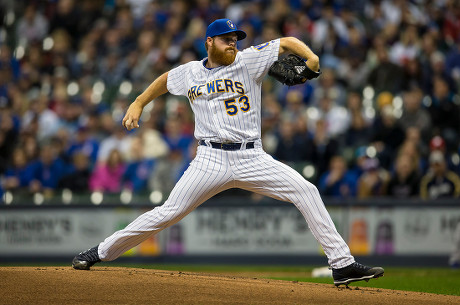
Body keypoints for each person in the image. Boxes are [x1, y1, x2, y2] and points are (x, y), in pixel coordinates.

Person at [72, 19, 384, 287]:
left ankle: (342, 264)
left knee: (306, 190)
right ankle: (100, 252)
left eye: (235, 39)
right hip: (209, 160)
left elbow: (288, 42)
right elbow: (166, 81)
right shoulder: (191, 72)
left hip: (252, 157)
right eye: (226, 40)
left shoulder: (249, 61)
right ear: (209, 42)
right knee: (167, 213)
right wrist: (139, 101)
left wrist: (312, 58)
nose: (232, 44)